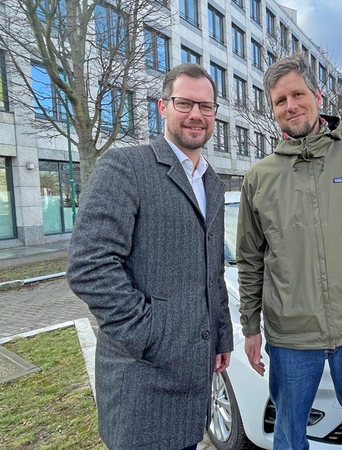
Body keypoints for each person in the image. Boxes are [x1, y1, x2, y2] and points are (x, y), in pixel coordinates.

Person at [236, 53, 342, 450]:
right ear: (273, 109)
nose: (290, 106)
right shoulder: (258, 178)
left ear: (318, 96)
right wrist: (251, 326)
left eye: (297, 94)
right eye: (280, 101)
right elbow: (249, 260)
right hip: (291, 335)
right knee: (289, 434)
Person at [66, 63, 233, 450]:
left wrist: (221, 335)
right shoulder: (125, 167)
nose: (196, 115)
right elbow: (89, 265)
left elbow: (212, 272)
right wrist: (151, 335)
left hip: (195, 382)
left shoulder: (211, 182)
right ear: (162, 107)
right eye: (184, 103)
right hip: (143, 384)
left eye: (205, 107)